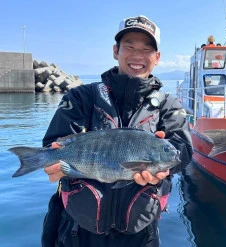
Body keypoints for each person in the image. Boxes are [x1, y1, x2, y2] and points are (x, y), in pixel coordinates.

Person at [41, 15, 193, 247]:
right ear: (115, 51)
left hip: (141, 232)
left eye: (146, 50)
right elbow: (53, 145)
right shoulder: (81, 97)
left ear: (157, 57)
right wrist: (52, 163)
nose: (137, 56)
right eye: (129, 47)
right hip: (78, 230)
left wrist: (162, 170)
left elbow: (182, 151)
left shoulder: (168, 105)